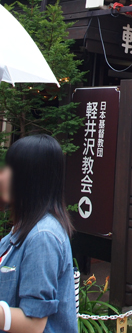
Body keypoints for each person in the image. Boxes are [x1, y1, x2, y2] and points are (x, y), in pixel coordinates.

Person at [0, 135, 77, 333]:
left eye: (10, 170)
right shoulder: (22, 229)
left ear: (29, 179)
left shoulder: (43, 236)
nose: (2, 176)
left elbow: (34, 324)